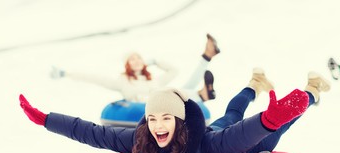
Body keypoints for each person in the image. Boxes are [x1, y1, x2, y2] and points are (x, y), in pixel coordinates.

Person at [19, 68, 330, 153]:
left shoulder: (206, 146)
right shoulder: (141, 141)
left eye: (166, 118)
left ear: (179, 122)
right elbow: (93, 133)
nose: (158, 125)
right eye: (153, 119)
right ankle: (255, 82)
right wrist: (46, 119)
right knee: (232, 113)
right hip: (218, 132)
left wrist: (267, 121)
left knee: (266, 120)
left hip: (243, 144)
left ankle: (312, 90)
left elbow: (238, 137)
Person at [50, 34, 220, 102]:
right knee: (182, 91)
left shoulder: (152, 79)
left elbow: (174, 71)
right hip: (153, 106)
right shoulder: (122, 81)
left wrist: (155, 61)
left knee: (186, 87)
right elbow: (95, 78)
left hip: (167, 97)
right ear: (127, 65)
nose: (136, 60)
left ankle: (207, 55)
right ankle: (201, 94)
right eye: (132, 59)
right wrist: (66, 73)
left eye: (138, 57)